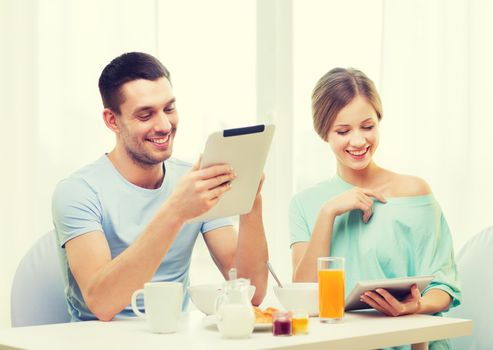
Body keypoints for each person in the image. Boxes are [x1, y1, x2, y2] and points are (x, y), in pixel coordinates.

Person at [52, 52, 268, 322]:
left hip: (172, 338)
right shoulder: (78, 191)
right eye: (145, 115)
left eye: (169, 109)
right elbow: (102, 304)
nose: (165, 125)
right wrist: (176, 210)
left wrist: (250, 199)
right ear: (112, 120)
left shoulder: (192, 181)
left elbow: (253, 292)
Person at [289, 67, 460, 348]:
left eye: (367, 127)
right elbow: (304, 295)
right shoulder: (306, 204)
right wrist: (328, 213)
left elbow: (444, 286)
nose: (358, 141)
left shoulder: (415, 193)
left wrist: (412, 308)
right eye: (343, 131)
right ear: (324, 134)